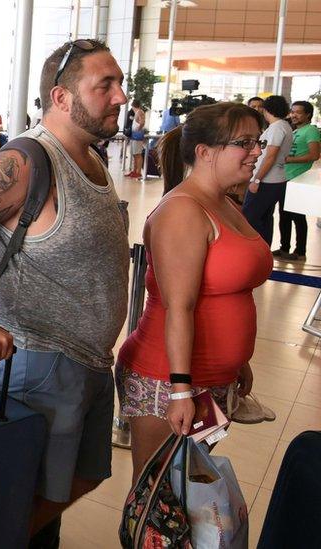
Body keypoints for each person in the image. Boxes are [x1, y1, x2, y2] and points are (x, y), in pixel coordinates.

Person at [0, 39, 130, 547]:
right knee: (22, 492)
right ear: (61, 97)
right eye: (103, 85)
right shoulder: (26, 161)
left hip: (88, 361)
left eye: (119, 83)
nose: (120, 96)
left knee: (76, 481)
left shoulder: (93, 162)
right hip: (38, 360)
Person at [117, 102, 271, 481]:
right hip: (166, 380)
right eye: (245, 143)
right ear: (204, 152)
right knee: (157, 495)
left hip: (210, 380)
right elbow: (179, 308)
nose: (257, 151)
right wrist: (181, 390)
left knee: (188, 483)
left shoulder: (226, 202)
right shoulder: (183, 212)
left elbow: (224, 293)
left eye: (258, 141)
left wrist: (236, 363)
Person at [241, 95, 293, 249]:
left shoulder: (278, 127)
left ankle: (254, 250)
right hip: (273, 180)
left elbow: (270, 156)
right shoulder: (282, 126)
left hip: (267, 181)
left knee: (249, 217)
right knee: (264, 218)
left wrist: (257, 180)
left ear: (266, 109)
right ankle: (263, 250)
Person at [278, 100, 319, 260]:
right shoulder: (295, 131)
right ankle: (284, 249)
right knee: (284, 216)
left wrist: (288, 160)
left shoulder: (311, 131)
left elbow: (314, 155)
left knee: (298, 217)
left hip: (298, 181)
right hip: (286, 179)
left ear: (308, 114)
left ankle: (300, 251)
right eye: (292, 111)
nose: (293, 115)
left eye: (298, 112)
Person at [125, 99, 146, 178]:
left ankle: (138, 172)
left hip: (137, 136)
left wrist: (138, 129)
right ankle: (134, 170)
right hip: (134, 135)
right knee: (134, 154)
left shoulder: (139, 112)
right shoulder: (137, 112)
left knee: (138, 154)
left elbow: (142, 122)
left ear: (132, 106)